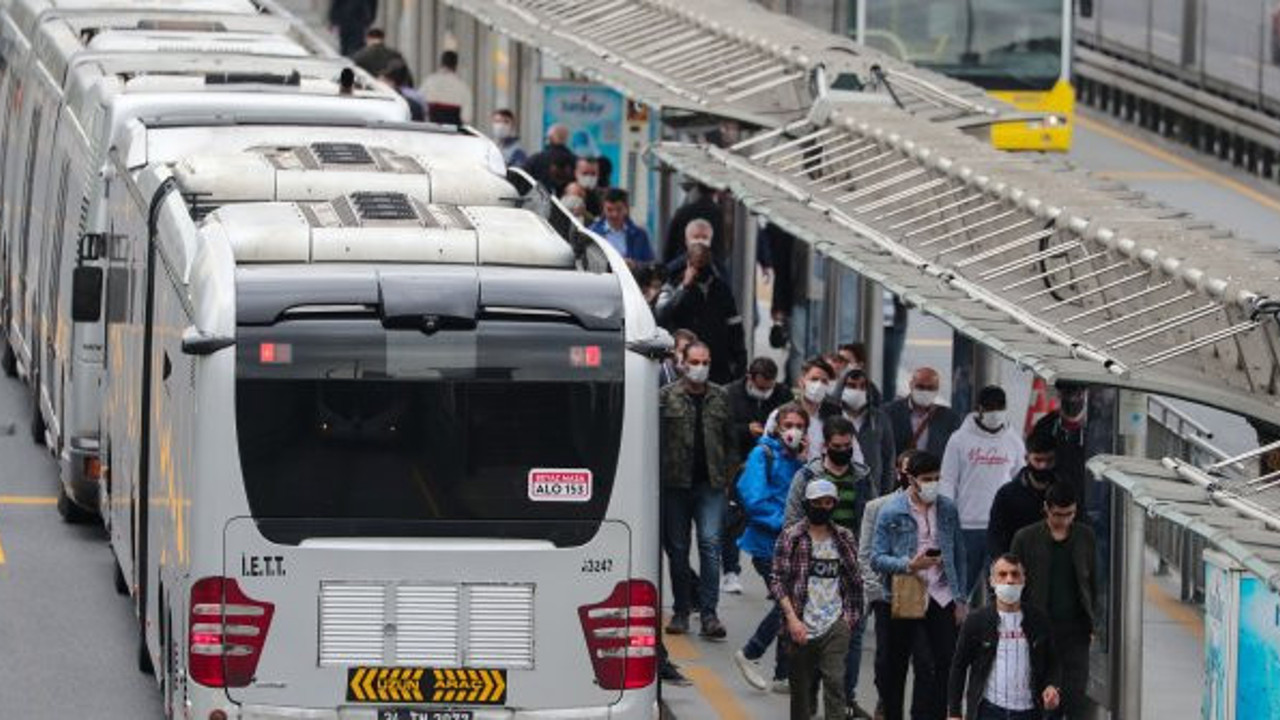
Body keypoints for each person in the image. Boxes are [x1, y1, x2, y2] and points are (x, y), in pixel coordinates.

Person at [784, 416, 876, 719]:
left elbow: (872, 521)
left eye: (848, 446)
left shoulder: (863, 478)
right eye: (837, 447)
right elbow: (791, 521)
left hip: (849, 572)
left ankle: (844, 701)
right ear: (825, 446)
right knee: (807, 660)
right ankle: (808, 705)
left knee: (850, 643)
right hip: (811, 574)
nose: (843, 451)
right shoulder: (806, 476)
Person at [872, 451, 968, 720]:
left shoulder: (947, 508)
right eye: (927, 479)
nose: (933, 484)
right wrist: (909, 565)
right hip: (906, 596)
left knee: (944, 662)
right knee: (896, 665)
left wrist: (959, 599)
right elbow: (876, 558)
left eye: (937, 478)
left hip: (942, 594)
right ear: (911, 479)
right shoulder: (891, 511)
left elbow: (959, 553)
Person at [771, 479, 865, 720]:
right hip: (800, 624)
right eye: (816, 503)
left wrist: (848, 619)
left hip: (835, 623)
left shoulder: (844, 537)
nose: (822, 507)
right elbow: (778, 581)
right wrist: (792, 619)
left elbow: (855, 579)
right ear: (806, 504)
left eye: (828, 502)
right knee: (800, 693)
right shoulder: (791, 537)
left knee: (835, 682)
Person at [734, 403, 810, 693]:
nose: (794, 431)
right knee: (788, 605)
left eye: (800, 426)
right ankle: (751, 652)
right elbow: (753, 500)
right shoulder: (762, 454)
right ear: (777, 427)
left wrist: (804, 462)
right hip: (768, 545)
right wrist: (788, 524)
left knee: (790, 605)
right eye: (788, 424)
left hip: (793, 545)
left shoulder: (800, 460)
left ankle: (782, 674)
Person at [659, 342, 733, 641]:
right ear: (683, 363)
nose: (700, 366)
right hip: (675, 484)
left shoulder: (721, 397)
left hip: (710, 486)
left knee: (710, 545)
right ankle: (680, 609)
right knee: (677, 550)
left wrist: (727, 479)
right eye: (694, 361)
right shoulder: (666, 397)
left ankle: (709, 614)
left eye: (705, 361)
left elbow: (731, 444)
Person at [1010, 483, 1096, 720]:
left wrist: (1094, 623)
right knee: (1044, 696)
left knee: (1075, 693)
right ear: (1046, 509)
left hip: (1076, 628)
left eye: (1070, 514)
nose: (1064, 520)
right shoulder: (1026, 538)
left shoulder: (1085, 536)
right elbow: (1013, 581)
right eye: (1058, 515)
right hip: (1039, 628)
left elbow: (1093, 583)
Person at [862, 451, 933, 720]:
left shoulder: (936, 509)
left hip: (922, 598)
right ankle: (887, 702)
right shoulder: (878, 508)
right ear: (900, 473)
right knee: (886, 661)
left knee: (925, 661)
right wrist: (876, 593)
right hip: (887, 596)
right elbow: (867, 554)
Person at [947, 554, 1061, 720]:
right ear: (992, 581)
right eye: (1002, 574)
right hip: (989, 710)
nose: (1009, 580)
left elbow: (1053, 661)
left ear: (1023, 580)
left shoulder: (1039, 619)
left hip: (1029, 712)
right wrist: (954, 713)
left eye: (1015, 574)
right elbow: (959, 666)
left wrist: (1052, 686)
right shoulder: (977, 620)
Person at [940, 385, 1025, 599]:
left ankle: (995, 631)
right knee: (959, 591)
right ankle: (956, 631)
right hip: (967, 526)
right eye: (990, 408)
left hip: (1000, 528)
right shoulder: (959, 440)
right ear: (979, 409)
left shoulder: (1013, 440)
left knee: (1001, 592)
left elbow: (1020, 478)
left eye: (1000, 407)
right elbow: (948, 481)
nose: (995, 412)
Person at [724, 357, 793, 594]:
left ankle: (774, 575)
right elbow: (724, 428)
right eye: (761, 386)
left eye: (769, 387)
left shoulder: (783, 395)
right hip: (737, 464)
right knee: (733, 522)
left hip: (772, 465)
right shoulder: (730, 394)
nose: (766, 392)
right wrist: (745, 429)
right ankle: (730, 570)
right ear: (750, 378)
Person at [654, 242, 746, 384]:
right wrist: (683, 287)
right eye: (696, 265)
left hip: (717, 363)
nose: (700, 271)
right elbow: (661, 313)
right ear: (688, 263)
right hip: (684, 362)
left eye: (703, 265)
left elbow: (734, 324)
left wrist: (740, 359)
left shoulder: (720, 288)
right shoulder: (672, 283)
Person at [825, 367, 896, 496]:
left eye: (862, 386)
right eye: (851, 386)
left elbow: (888, 459)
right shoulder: (829, 416)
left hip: (871, 492)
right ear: (841, 387)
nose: (857, 390)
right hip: (834, 491)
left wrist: (886, 495)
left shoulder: (880, 419)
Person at [986, 431, 1057, 558]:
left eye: (1049, 460)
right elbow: (994, 537)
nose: (1043, 466)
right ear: (1026, 458)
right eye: (1038, 460)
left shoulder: (1065, 491)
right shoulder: (1007, 494)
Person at [1028, 382, 1096, 509]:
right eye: (1067, 393)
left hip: (1090, 502)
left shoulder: (1099, 422)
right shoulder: (1045, 425)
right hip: (1054, 504)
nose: (1072, 399)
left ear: (1085, 394)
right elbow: (1036, 462)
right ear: (1059, 394)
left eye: (1077, 393)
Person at [885, 367, 962, 459]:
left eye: (930, 388)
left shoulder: (950, 418)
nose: (925, 391)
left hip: (934, 472)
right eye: (920, 387)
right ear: (911, 385)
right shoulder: (889, 412)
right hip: (899, 471)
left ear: (937, 389)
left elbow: (956, 452)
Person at [588, 188, 654, 264]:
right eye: (609, 210)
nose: (614, 214)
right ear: (603, 210)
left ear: (626, 209)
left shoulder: (639, 235)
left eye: (619, 209)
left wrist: (635, 265)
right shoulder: (592, 233)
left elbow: (649, 264)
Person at [663, 183, 724, 265]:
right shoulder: (717, 214)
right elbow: (720, 247)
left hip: (682, 264)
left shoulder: (683, 212)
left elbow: (669, 247)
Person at [420, 50, 473, 125]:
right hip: (452, 133)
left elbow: (420, 108)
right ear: (456, 65)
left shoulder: (428, 82)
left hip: (430, 131)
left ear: (441, 63)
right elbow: (466, 118)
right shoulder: (463, 88)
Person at [523, 124, 577, 195]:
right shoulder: (574, 160)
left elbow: (523, 179)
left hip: (539, 200)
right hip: (564, 202)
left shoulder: (536, 159)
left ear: (550, 138)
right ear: (566, 138)